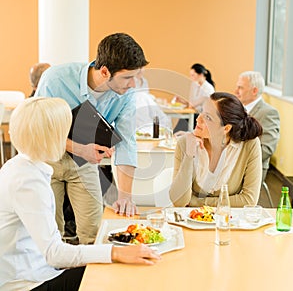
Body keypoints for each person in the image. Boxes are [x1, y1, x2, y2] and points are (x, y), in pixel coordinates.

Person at [0, 97, 161, 291]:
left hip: (39, 270)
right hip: (30, 283)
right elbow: (55, 253)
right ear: (52, 136)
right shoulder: (28, 182)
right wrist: (116, 253)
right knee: (116, 272)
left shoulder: (18, 166)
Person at [35, 33, 148, 244]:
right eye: (127, 77)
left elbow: (126, 141)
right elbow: (38, 129)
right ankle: (55, 276)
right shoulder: (56, 79)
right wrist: (78, 148)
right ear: (104, 71)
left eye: (136, 76)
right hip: (47, 158)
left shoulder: (126, 94)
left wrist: (125, 195)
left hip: (84, 162)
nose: (133, 84)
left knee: (95, 231)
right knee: (50, 232)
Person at [169, 92, 263, 207]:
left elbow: (249, 200)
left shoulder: (249, 145)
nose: (198, 119)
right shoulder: (185, 143)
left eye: (208, 117)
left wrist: (197, 202)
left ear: (226, 128)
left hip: (230, 221)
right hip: (191, 220)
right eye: (202, 112)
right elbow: (179, 202)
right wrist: (189, 156)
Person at [235, 71, 280, 182]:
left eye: (240, 88)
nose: (236, 91)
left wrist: (237, 162)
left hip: (252, 169)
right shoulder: (239, 109)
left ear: (254, 91)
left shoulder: (268, 113)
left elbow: (266, 149)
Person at [134, 68, 170, 135]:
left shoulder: (144, 81)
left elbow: (147, 96)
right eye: (139, 68)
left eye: (142, 68)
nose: (140, 70)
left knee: (164, 118)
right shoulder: (131, 82)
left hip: (147, 106)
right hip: (138, 109)